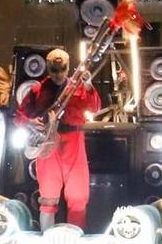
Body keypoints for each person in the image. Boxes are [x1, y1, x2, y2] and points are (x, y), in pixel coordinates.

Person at [16, 47, 101, 229]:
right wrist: (34, 122)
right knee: (48, 196)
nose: (59, 74)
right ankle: (47, 238)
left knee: (78, 194)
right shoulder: (38, 90)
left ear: (68, 67)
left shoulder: (77, 87)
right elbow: (21, 116)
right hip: (47, 141)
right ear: (47, 68)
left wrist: (88, 85)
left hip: (73, 138)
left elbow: (94, 107)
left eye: (62, 69)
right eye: (54, 70)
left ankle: (75, 239)